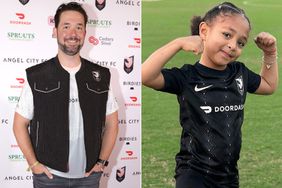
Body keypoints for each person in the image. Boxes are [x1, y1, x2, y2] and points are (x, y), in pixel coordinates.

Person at [142, 2, 278, 188]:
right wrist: (178, 43)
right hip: (194, 174)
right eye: (227, 35)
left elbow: (269, 86)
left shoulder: (239, 73)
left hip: (228, 175)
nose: (233, 46)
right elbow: (145, 75)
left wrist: (270, 53)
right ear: (204, 31)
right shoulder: (188, 76)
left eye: (241, 43)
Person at [13, 2, 119, 188]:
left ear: (85, 33)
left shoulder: (101, 76)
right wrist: (34, 164)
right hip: (49, 177)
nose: (73, 33)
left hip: (89, 177)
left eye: (79, 27)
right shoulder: (36, 75)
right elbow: (19, 124)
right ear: (55, 31)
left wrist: (101, 162)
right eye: (66, 26)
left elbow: (112, 123)